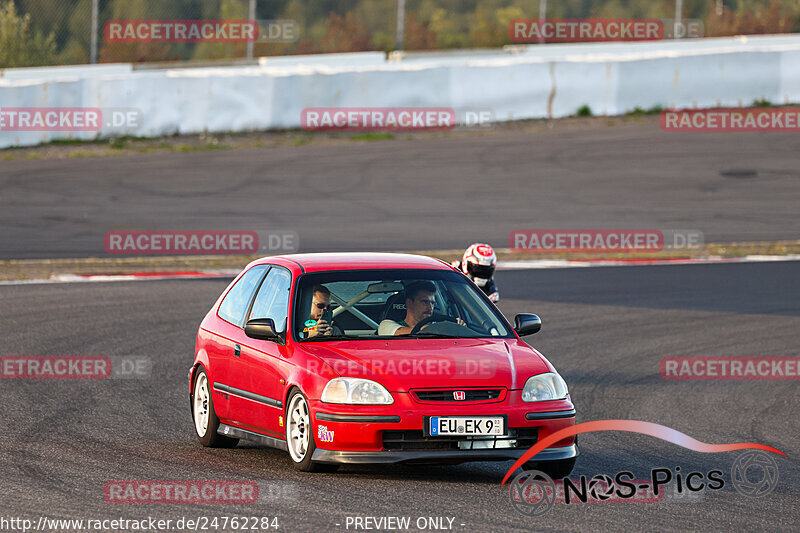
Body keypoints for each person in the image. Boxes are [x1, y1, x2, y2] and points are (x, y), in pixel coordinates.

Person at [378, 281, 465, 335]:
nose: (430, 307)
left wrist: (458, 328)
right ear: (409, 303)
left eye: (432, 303)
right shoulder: (386, 325)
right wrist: (442, 329)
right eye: (425, 301)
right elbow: (401, 332)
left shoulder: (437, 326)